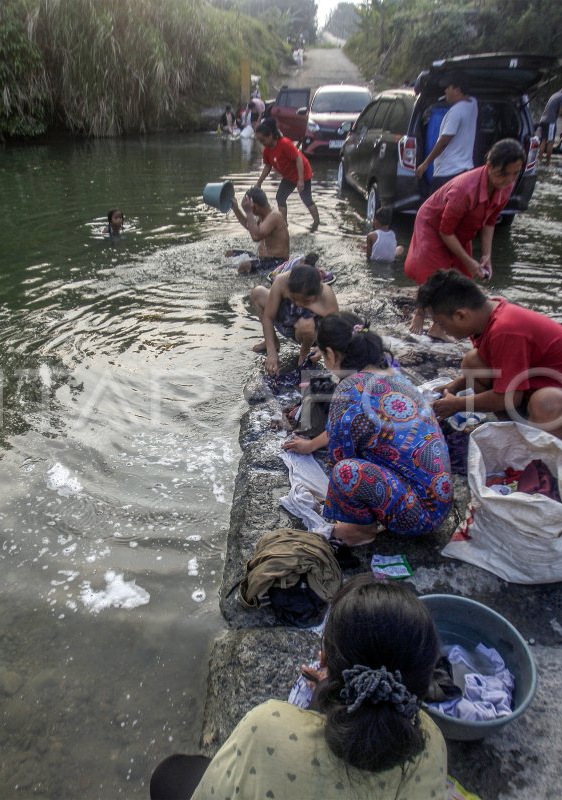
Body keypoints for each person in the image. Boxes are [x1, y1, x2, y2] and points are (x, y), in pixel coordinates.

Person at [149, 573, 446, 800]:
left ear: (325, 659)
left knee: (169, 775)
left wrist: (321, 701)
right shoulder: (431, 744)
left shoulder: (269, 725)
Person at [284, 312, 452, 546]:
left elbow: (340, 459)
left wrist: (342, 511)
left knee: (345, 472)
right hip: (437, 502)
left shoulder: (349, 389)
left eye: (323, 355)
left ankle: (361, 531)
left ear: (331, 354)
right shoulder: (397, 378)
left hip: (417, 518)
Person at [417, 269, 562, 448]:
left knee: (545, 401)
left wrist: (458, 404)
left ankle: (545, 462)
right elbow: (500, 367)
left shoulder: (506, 330)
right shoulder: (487, 316)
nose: (442, 329)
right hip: (535, 394)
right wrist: (455, 386)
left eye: (441, 323)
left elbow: (508, 397)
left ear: (461, 315)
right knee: (472, 362)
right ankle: (520, 437)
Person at [405, 138, 525, 340]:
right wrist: (470, 261)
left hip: (460, 229)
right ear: (490, 166)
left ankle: (438, 326)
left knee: (461, 276)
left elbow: (490, 221)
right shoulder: (464, 189)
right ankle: (419, 313)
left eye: (515, 174)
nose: (509, 180)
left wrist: (486, 255)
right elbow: (445, 231)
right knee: (437, 273)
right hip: (433, 225)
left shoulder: (506, 187)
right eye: (504, 174)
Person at [249, 264, 338, 376]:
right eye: (294, 299)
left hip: (310, 333)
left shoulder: (326, 294)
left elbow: (335, 327)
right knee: (258, 293)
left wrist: (322, 347)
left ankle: (303, 356)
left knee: (307, 323)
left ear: (316, 295)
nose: (299, 304)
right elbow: (268, 316)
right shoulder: (281, 281)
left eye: (306, 301)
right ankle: (272, 342)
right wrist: (271, 352)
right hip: (287, 318)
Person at [415, 73, 478, 191]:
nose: (445, 91)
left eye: (448, 88)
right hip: (465, 170)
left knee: (434, 208)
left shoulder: (455, 112)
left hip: (447, 173)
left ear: (457, 90)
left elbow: (443, 142)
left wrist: (425, 165)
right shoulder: (473, 103)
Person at [254, 118, 320, 229]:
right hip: (289, 176)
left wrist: (300, 180)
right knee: (280, 197)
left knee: (306, 199)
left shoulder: (284, 144)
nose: (262, 143)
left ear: (270, 135)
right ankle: (283, 225)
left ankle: (316, 222)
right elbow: (268, 166)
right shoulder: (267, 150)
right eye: (260, 141)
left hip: (302, 173)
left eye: (263, 140)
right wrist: (259, 182)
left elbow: (298, 159)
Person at [227, 187, 290, 274]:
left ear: (255, 207)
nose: (251, 213)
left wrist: (249, 212)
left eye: (250, 209)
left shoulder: (275, 216)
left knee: (244, 266)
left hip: (278, 263)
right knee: (230, 253)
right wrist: (235, 208)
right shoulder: (263, 215)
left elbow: (256, 237)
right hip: (263, 259)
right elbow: (250, 226)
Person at [538, 79, 562, 165]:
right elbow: (560, 113)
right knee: (551, 142)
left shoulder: (555, 94)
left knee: (543, 141)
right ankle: (548, 162)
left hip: (543, 120)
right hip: (550, 122)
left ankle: (539, 161)